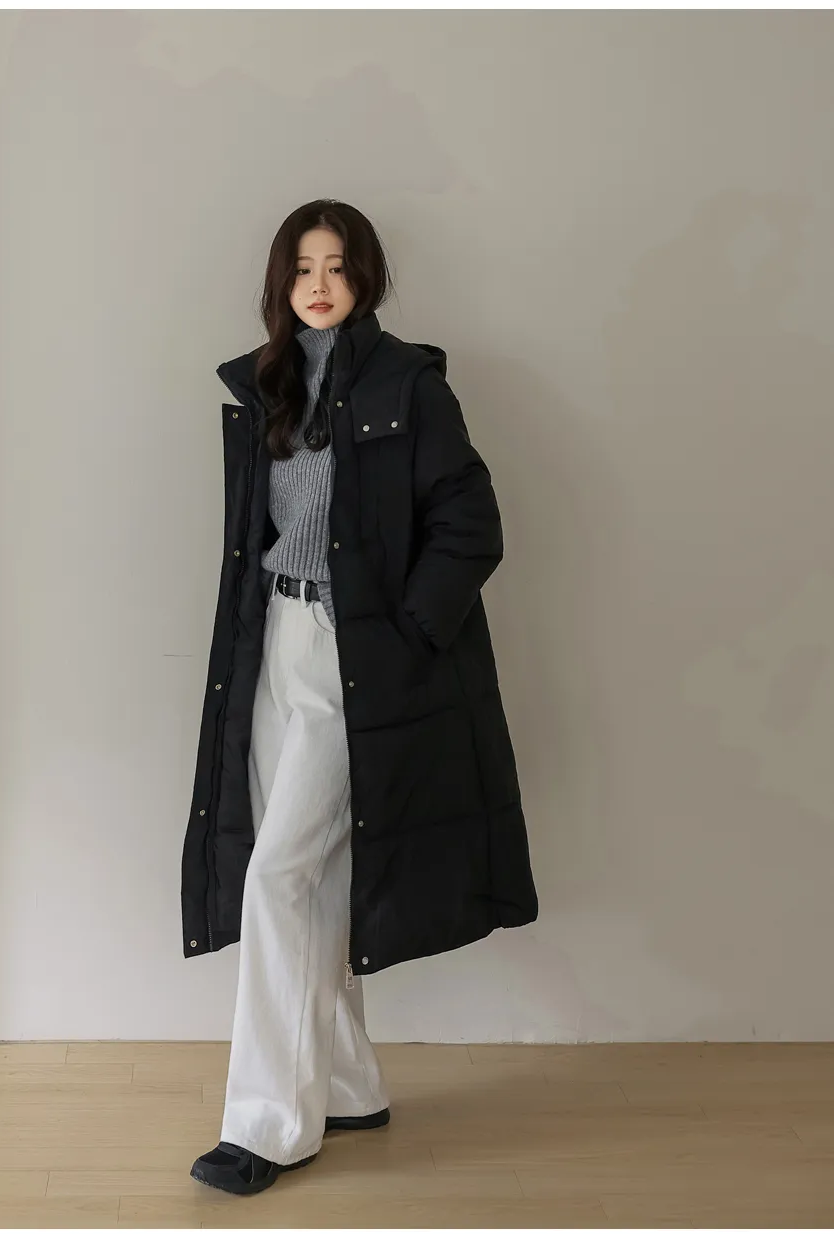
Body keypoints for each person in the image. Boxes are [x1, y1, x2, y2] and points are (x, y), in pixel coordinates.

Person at [183, 200, 538, 1196]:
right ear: (281, 282)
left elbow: (470, 522)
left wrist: (406, 634)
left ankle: (267, 1124)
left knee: (278, 877)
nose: (320, 284)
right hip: (275, 642)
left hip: (355, 653)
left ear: (365, 277)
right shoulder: (265, 387)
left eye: (338, 266)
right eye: (303, 267)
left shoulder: (408, 385)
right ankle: (345, 1083)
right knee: (315, 872)